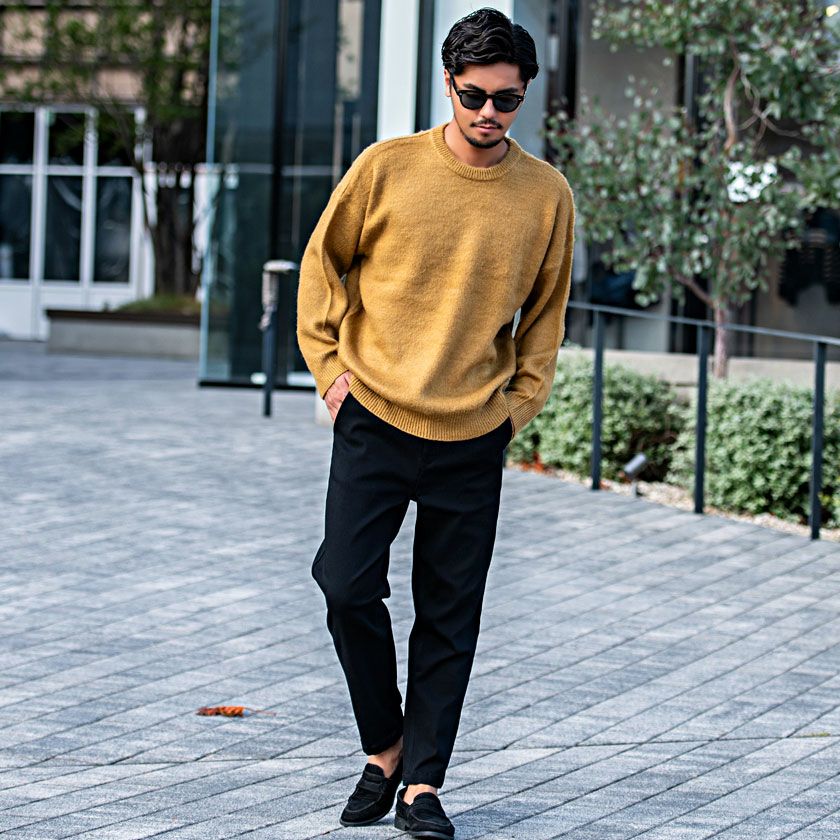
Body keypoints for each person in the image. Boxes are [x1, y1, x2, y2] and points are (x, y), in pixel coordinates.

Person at [296, 8, 575, 837]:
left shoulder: (546, 195)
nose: (490, 113)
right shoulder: (386, 169)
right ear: (447, 84)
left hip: (473, 435)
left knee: (451, 613)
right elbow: (322, 266)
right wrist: (331, 374)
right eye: (474, 95)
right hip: (376, 416)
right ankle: (385, 745)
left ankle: (421, 783)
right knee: (345, 585)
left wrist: (517, 410)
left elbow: (546, 317)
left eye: (507, 100)